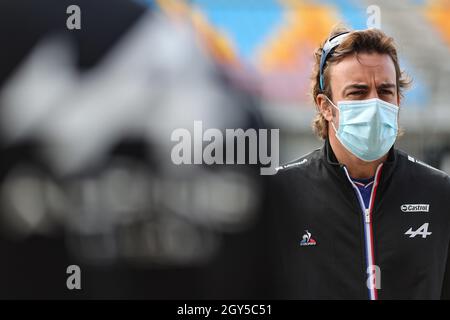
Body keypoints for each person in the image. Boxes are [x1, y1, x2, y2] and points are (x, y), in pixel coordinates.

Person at [269, 26, 450, 299]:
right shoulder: (280, 196)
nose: (375, 103)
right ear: (325, 106)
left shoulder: (440, 193)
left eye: (386, 91)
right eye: (358, 92)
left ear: (398, 99)